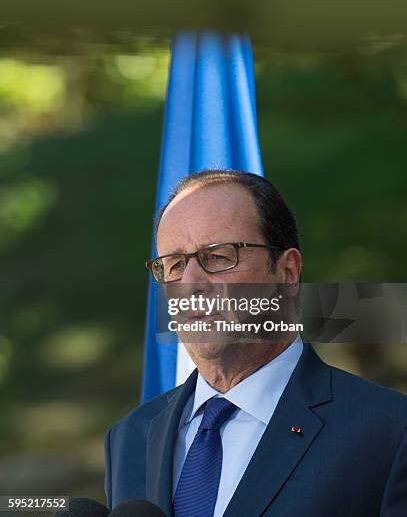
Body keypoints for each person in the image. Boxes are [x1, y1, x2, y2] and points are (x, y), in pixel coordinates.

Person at [104, 169, 407, 516]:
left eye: (218, 256)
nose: (190, 284)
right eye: (173, 265)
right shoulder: (129, 438)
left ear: (287, 272)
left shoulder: (389, 432)